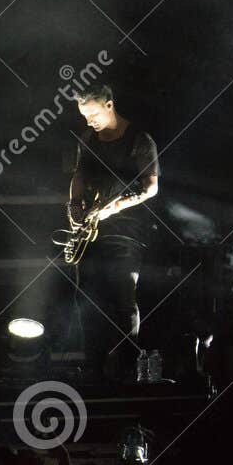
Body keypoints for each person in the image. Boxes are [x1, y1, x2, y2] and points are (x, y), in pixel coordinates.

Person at [67, 84, 161, 382]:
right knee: (86, 296)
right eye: (85, 116)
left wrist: (113, 208)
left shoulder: (140, 140)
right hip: (91, 231)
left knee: (123, 297)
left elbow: (150, 187)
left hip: (127, 230)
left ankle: (127, 368)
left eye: (93, 114)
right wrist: (73, 205)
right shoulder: (88, 139)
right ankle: (92, 367)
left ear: (110, 105)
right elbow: (79, 174)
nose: (89, 121)